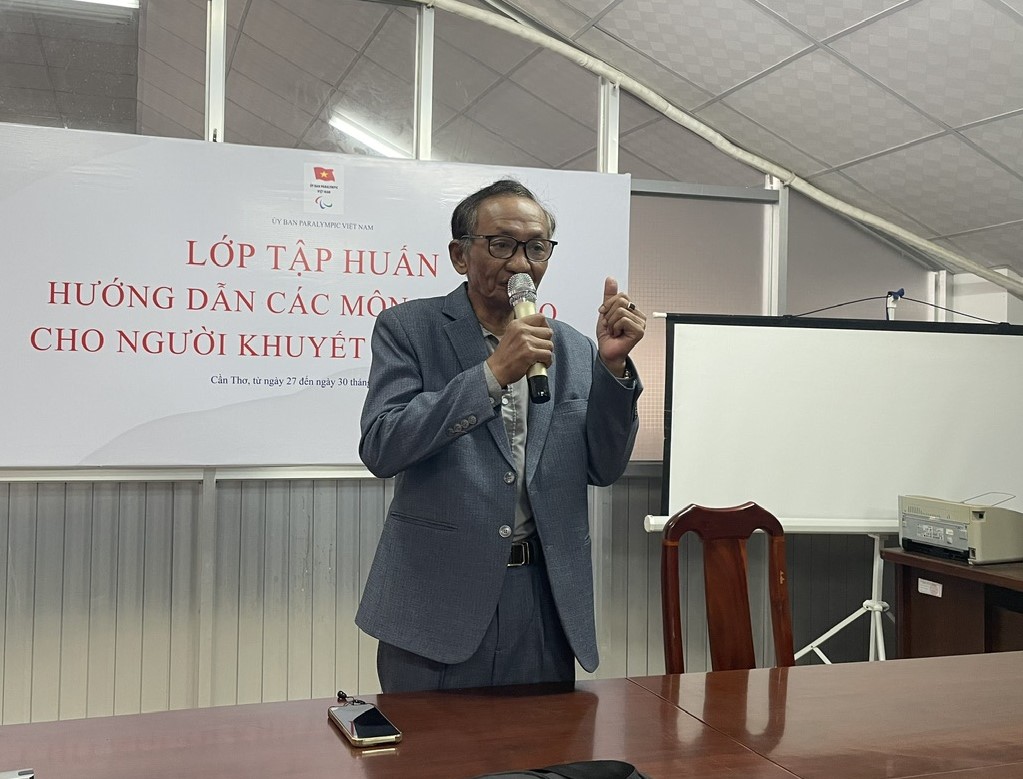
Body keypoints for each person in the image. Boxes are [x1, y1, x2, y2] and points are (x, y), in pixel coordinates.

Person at [356, 179, 646, 692]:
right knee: (431, 744)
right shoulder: (409, 328)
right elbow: (383, 444)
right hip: (436, 601)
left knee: (542, 744)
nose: (520, 264)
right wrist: (490, 375)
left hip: (543, 602)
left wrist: (613, 369)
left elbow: (604, 468)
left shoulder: (574, 347)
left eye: (536, 248)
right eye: (502, 244)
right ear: (460, 255)